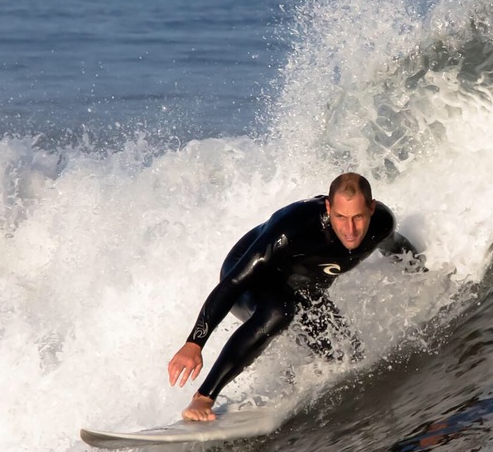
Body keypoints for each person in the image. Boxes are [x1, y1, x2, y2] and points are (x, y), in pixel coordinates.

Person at [167, 172, 423, 421]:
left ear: (371, 208)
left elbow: (398, 248)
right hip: (249, 280)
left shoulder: (381, 224)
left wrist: (422, 276)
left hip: (301, 289)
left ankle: (288, 387)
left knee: (350, 357)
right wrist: (195, 343)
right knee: (279, 311)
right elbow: (233, 283)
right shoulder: (294, 228)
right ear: (328, 207)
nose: (350, 229)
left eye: (357, 217)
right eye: (340, 217)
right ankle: (204, 397)